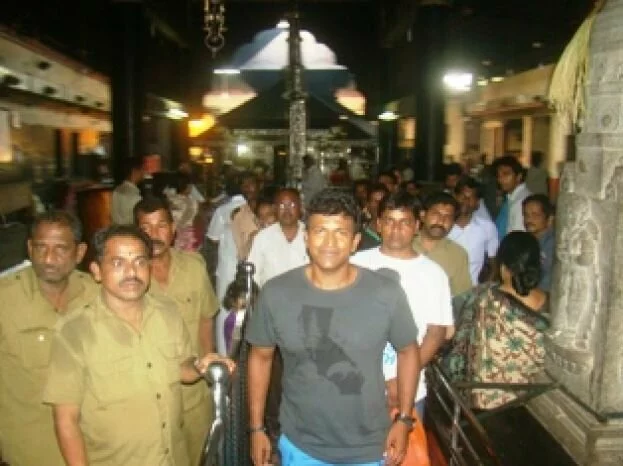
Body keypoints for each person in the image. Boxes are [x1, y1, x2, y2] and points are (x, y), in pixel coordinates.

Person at [246, 189, 420, 466]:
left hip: (369, 446)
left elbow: (409, 351)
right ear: (306, 238)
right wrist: (256, 428)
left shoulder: (385, 293)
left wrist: (404, 419)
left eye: (340, 232)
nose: (329, 242)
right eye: (320, 231)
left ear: (355, 242)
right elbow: (260, 357)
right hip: (301, 444)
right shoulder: (276, 293)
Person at [43, 225, 234, 466]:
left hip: (173, 457)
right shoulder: (75, 331)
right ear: (97, 271)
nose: (131, 272)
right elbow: (65, 420)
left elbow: (179, 368)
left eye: (140, 262)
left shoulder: (167, 312)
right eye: (118, 263)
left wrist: (199, 366)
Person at [0, 211, 97, 466]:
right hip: (32, 453)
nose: (48, 259)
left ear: (79, 252)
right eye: (41, 247)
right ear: (30, 248)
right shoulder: (5, 300)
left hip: (93, 449)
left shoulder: (97, 296)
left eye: (61, 249)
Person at [351, 192, 453, 419]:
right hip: (357, 384)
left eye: (404, 222)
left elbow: (435, 333)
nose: (396, 229)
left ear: (417, 225)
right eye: (389, 221)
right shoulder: (356, 263)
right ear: (378, 225)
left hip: (409, 390)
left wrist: (401, 379)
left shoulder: (433, 274)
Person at [134, 197, 220, 464]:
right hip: (150, 396)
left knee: (200, 457)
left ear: (173, 229)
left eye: (161, 225)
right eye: (145, 227)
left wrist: (210, 375)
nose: (154, 234)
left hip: (195, 392)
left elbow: (206, 320)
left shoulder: (194, 267)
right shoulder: (128, 277)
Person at [444, 231, 549, 410]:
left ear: (502, 266)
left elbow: (454, 331)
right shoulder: (551, 302)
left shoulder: (483, 296)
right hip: (532, 400)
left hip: (486, 400)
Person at [207, 172, 258, 354]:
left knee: (226, 309)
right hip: (251, 269)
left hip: (229, 268)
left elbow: (212, 238)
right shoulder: (258, 209)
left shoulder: (223, 210)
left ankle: (225, 353)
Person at [413, 192, 472, 297]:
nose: (441, 221)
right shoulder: (404, 244)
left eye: (448, 217)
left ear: (453, 223)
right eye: (436, 214)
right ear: (423, 216)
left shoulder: (457, 254)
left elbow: (462, 297)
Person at [248, 188, 308, 287]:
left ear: (300, 207)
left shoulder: (312, 236)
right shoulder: (262, 238)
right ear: (275, 209)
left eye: (292, 205)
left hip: (304, 298)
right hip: (271, 300)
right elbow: (253, 275)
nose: (287, 210)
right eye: (282, 205)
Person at [448, 177, 499, 284]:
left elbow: (494, 266)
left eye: (471, 197)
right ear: (455, 197)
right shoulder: (444, 227)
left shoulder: (487, 228)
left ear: (477, 203)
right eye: (462, 196)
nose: (466, 200)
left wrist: (482, 292)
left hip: (472, 293)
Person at [523, 194, 555, 292]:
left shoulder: (552, 245)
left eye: (535, 215)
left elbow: (546, 281)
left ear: (549, 219)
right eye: (526, 215)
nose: (529, 220)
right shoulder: (525, 241)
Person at [494, 155, 531, 239]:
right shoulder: (511, 198)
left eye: (506, 174)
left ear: (519, 176)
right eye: (499, 176)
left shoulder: (520, 201)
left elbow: (516, 237)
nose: (501, 179)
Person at [167, 172, 201, 252]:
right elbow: (195, 218)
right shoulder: (192, 202)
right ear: (187, 186)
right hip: (187, 234)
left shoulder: (169, 200)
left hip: (171, 234)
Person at [111, 157, 144, 224]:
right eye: (142, 170)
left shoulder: (116, 191)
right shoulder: (135, 197)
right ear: (135, 172)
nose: (143, 173)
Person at [358, 183, 389, 251]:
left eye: (383, 201)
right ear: (367, 204)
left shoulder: (396, 232)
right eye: (375, 201)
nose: (379, 205)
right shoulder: (359, 236)